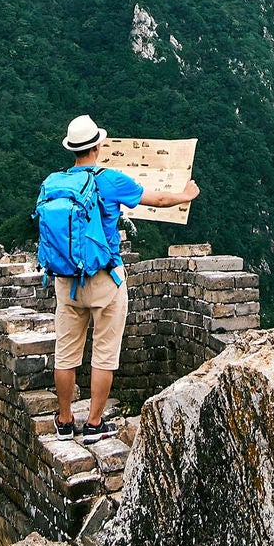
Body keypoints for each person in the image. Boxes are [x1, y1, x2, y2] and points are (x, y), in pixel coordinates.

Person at [39, 114, 201, 442]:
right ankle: (95, 424)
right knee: (104, 354)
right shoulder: (111, 180)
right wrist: (186, 194)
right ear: (98, 146)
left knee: (66, 354)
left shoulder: (52, 183)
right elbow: (157, 199)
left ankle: (65, 420)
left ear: (73, 149)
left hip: (66, 280)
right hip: (104, 280)